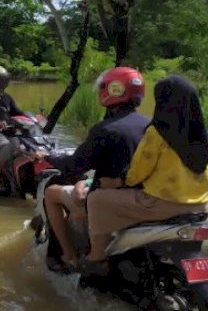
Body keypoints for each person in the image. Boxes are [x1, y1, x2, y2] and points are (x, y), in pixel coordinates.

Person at [83, 75, 208, 273]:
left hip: (160, 205)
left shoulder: (157, 133)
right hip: (199, 207)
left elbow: (137, 172)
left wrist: (116, 182)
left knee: (95, 199)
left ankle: (97, 256)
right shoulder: (206, 139)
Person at [43, 67, 149, 271]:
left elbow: (74, 166)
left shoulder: (105, 129)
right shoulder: (151, 125)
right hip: (145, 197)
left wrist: (49, 157)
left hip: (110, 200)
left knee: (51, 193)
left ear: (113, 90)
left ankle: (68, 256)